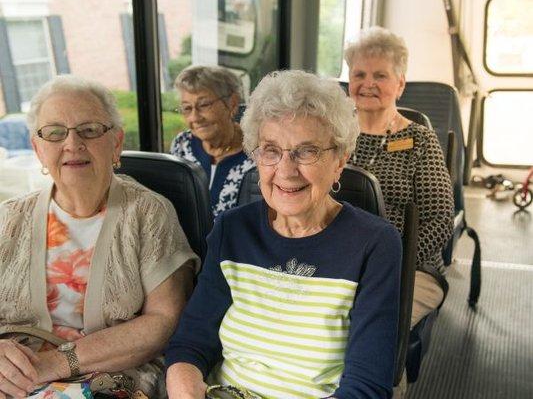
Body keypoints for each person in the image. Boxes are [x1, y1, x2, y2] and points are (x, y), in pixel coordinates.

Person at [166, 70, 402, 399]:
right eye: (271, 150)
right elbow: (190, 343)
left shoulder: (374, 243)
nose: (286, 170)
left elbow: (366, 388)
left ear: (339, 161)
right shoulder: (232, 230)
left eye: (306, 152)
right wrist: (186, 390)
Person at [0, 75, 200, 398]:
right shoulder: (7, 219)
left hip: (112, 374)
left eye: (89, 130)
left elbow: (164, 321)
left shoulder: (149, 214)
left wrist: (53, 364)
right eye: (55, 133)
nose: (72, 144)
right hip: (17, 375)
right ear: (38, 149)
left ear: (116, 143)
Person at [344, 26, 454, 327]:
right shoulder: (332, 136)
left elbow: (441, 219)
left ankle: (386, 376)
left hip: (409, 267)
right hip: (339, 259)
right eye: (359, 75)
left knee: (376, 327)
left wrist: (391, 263)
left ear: (400, 84)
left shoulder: (420, 140)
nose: (368, 84)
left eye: (380, 75)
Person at [170, 65, 255, 217]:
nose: (195, 117)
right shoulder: (182, 144)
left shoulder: (257, 151)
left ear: (232, 103)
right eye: (187, 108)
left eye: (203, 105)